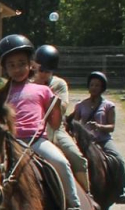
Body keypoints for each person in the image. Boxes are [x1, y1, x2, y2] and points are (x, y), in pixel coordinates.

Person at [0, 35, 90, 210]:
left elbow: (55, 123)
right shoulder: (1, 95)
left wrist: (55, 106)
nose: (17, 68)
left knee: (61, 162)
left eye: (22, 63)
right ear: (5, 69)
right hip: (9, 143)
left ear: (31, 65)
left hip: (36, 140)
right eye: (12, 65)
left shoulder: (43, 90)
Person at [30, 44, 90, 195]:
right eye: (41, 70)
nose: (43, 74)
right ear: (35, 67)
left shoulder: (59, 84)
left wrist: (46, 92)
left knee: (77, 158)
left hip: (56, 128)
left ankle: (86, 194)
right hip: (32, 128)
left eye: (47, 71)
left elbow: (62, 106)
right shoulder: (28, 84)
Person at [72, 71, 125, 204]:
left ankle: (121, 190)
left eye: (97, 85)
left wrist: (99, 126)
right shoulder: (80, 105)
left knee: (118, 159)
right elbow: (74, 123)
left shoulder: (108, 106)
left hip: (103, 140)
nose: (94, 88)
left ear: (102, 88)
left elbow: (112, 126)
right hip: (86, 142)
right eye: (92, 85)